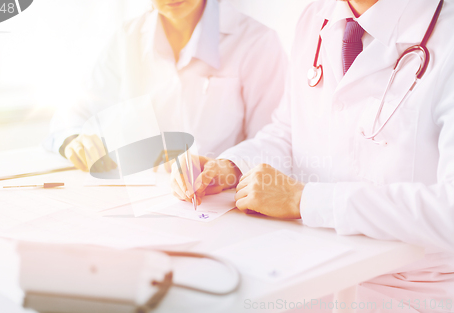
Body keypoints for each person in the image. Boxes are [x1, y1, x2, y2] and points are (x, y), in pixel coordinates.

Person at [172, 0, 454, 309]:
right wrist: (231, 166)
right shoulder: (315, 17)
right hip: (314, 270)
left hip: (411, 287)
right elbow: (288, 131)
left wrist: (304, 200)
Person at [44, 0, 286, 172]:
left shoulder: (257, 42)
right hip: (143, 201)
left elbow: (273, 146)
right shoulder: (127, 38)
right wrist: (73, 140)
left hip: (219, 203)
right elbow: (71, 116)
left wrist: (226, 170)